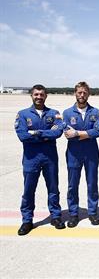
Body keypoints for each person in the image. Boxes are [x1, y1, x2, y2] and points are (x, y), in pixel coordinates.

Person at [14, 84, 66, 235]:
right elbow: (23, 136)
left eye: (41, 94)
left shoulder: (54, 113)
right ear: (31, 95)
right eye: (36, 94)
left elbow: (57, 133)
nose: (39, 97)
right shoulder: (23, 114)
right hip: (31, 158)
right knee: (29, 190)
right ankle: (27, 220)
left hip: (49, 158)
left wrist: (35, 133)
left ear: (46, 96)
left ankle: (55, 217)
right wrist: (45, 134)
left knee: (53, 189)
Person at [63, 81, 99, 227]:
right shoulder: (67, 113)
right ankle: (73, 214)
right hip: (74, 153)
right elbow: (67, 133)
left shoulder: (95, 112)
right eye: (79, 92)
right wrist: (87, 134)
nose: (82, 95)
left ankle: (92, 213)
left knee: (92, 183)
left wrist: (78, 133)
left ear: (88, 94)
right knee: (72, 185)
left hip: (91, 152)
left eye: (84, 93)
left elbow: (97, 131)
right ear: (75, 93)